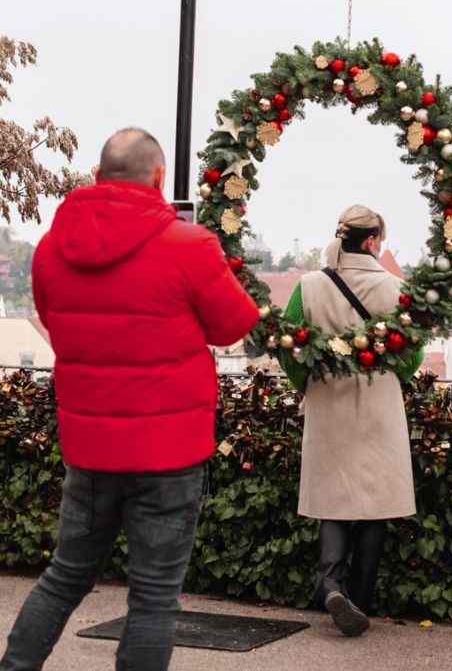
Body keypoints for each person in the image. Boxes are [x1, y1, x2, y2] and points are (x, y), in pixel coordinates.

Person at [0, 128, 259, 671]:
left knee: (65, 575)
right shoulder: (190, 246)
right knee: (154, 595)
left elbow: (55, 322)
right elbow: (233, 323)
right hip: (169, 452)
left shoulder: (50, 250)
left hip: (91, 449)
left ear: (98, 177)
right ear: (159, 178)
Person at [281, 205, 423, 638]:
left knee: (333, 498)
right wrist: (389, 374)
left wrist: (308, 383)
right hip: (379, 404)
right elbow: (413, 353)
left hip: (329, 403)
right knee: (376, 505)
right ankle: (359, 598)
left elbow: (288, 343)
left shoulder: (308, 286)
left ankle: (330, 585)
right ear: (373, 241)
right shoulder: (398, 289)